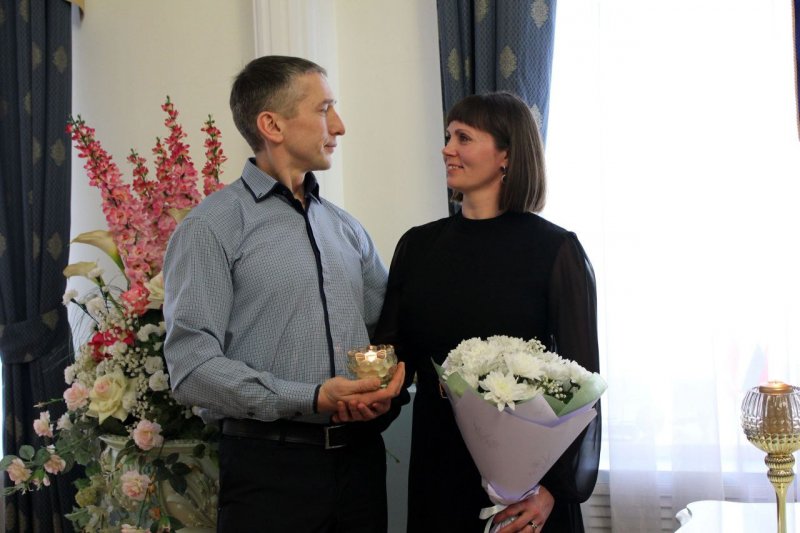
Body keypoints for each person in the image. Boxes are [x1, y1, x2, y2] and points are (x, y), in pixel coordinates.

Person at [162, 55, 405, 533]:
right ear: (271, 125)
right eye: (324, 109)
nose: (339, 125)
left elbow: (387, 333)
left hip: (361, 467)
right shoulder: (211, 228)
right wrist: (311, 397)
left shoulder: (347, 228)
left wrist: (388, 387)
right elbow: (191, 369)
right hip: (269, 474)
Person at [370, 92, 601, 532]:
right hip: (439, 465)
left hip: (530, 488)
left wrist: (552, 490)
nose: (446, 149)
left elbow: (582, 385)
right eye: (447, 137)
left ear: (505, 155)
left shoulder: (556, 250)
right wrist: (367, 399)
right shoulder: (418, 247)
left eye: (463, 138)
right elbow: (392, 356)